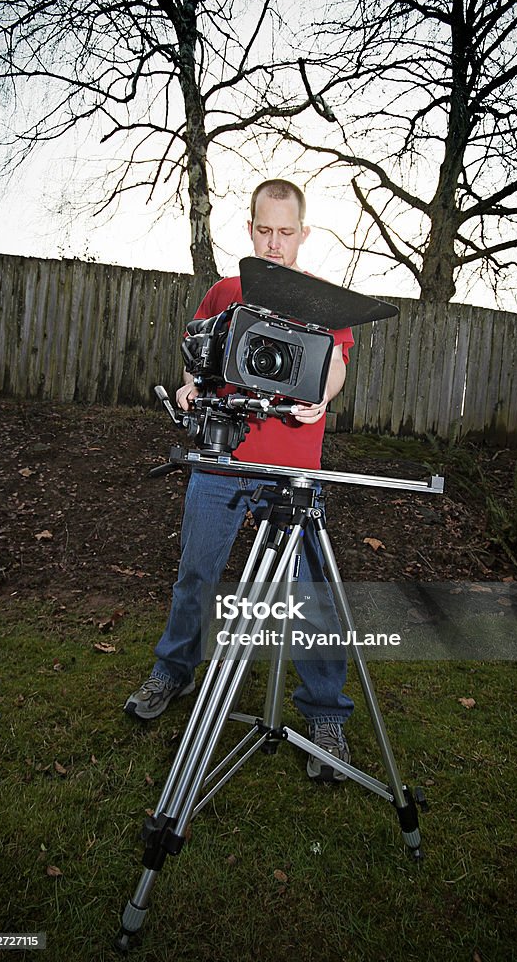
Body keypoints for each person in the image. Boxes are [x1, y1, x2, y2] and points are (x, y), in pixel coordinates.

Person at [125, 179, 355, 781]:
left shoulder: (325, 298)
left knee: (311, 594)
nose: (274, 244)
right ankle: (173, 673)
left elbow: (336, 362)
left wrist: (320, 400)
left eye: (286, 232)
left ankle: (325, 713)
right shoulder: (224, 292)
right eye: (264, 230)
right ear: (249, 229)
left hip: (294, 467)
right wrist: (190, 384)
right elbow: (196, 351)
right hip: (222, 458)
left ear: (303, 234)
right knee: (197, 572)